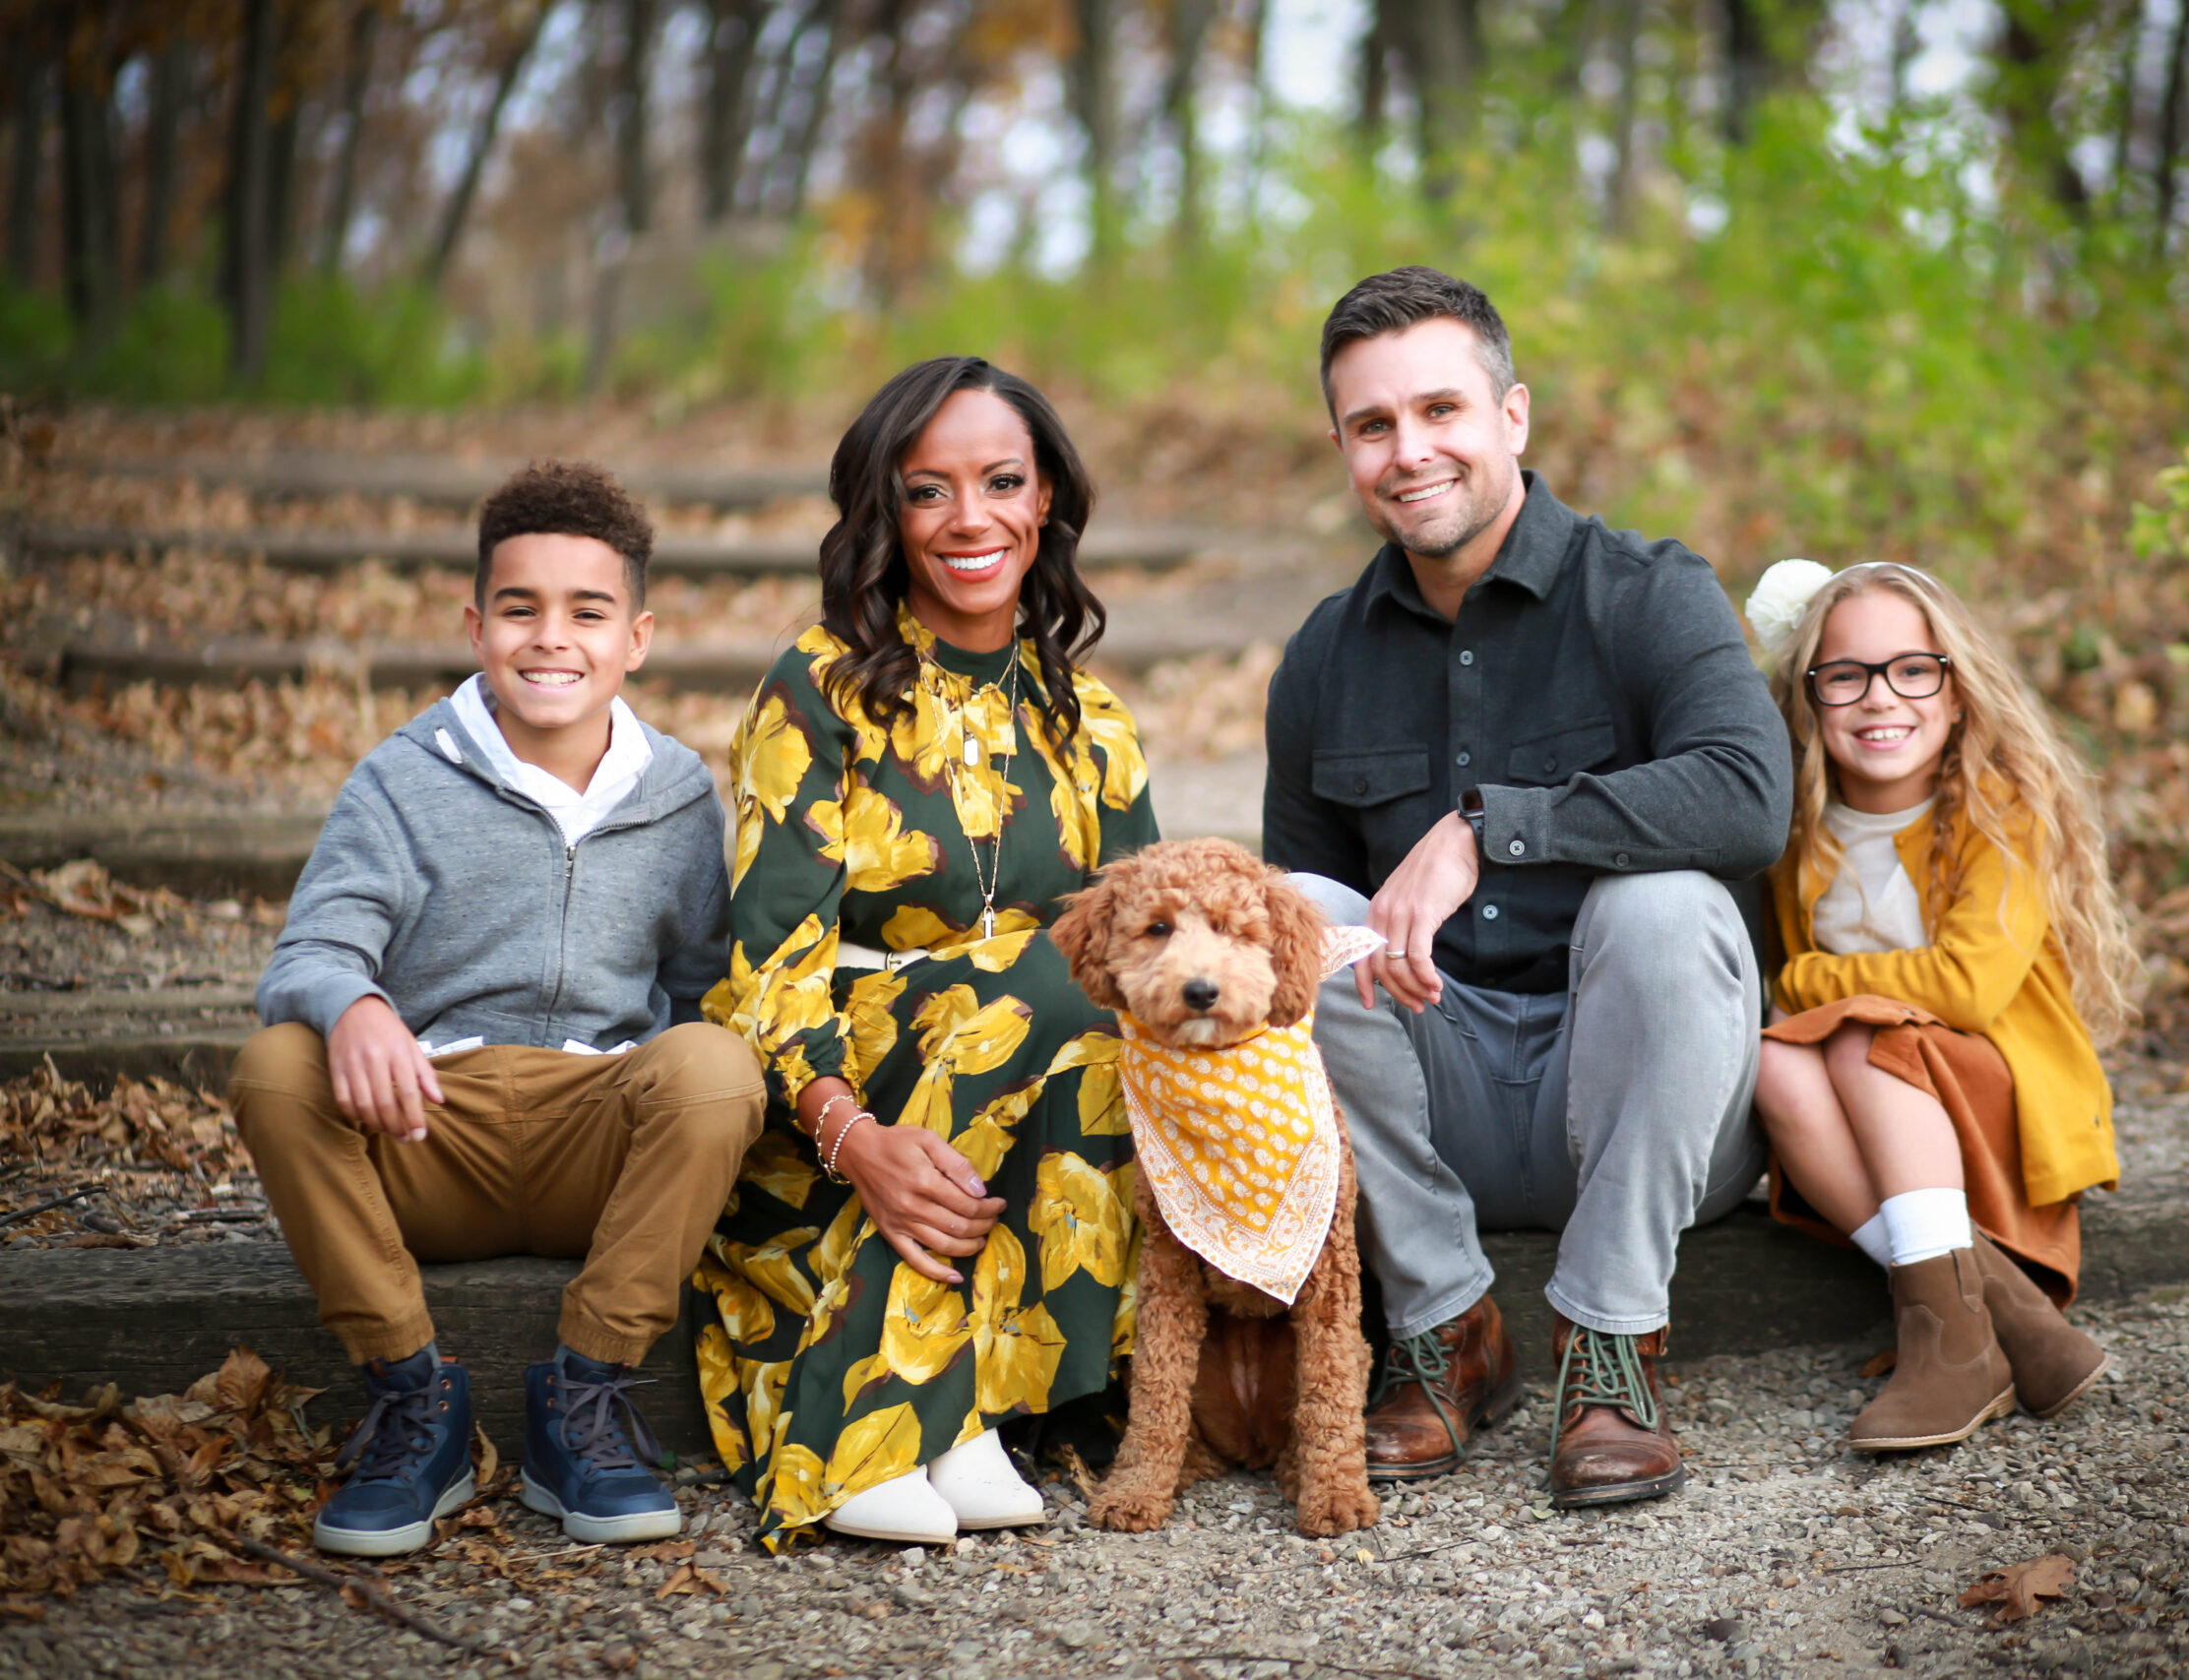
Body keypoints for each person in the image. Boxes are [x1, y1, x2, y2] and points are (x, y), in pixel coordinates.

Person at [1262, 267, 1792, 1509]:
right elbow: (1306, 936)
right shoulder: (1322, 656)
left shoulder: (1648, 592)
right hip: (1431, 1108)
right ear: (1343, 449)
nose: (1408, 451)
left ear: (1512, 415)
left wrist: (1486, 830)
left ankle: (1612, 1347)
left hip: (1647, 1104)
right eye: (1372, 425)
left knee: (1663, 905)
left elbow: (1745, 798)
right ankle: (1448, 1328)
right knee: (1298, 923)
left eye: (1439, 409)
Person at [229, 461, 766, 1556]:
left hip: (596, 1150)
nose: (550, 637)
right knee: (277, 1064)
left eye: (587, 612)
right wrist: (354, 1006)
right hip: (425, 1132)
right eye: (520, 609)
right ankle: (413, 1398)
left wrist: (689, 1117)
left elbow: (703, 985)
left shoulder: (676, 796)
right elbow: (313, 949)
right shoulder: (401, 779)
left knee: (716, 1062)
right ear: (476, 627)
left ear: (637, 639)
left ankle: (586, 1395)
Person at [698, 356, 1158, 1550]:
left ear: (1044, 498)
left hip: (1031, 1082)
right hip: (843, 1089)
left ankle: (955, 1414)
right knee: (1058, 974)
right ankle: (869, 1427)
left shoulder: (1090, 719)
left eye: (1000, 482)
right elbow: (773, 960)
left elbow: (1153, 941)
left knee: (1095, 997)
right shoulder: (820, 686)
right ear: (885, 512)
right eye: (926, 491)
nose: (968, 520)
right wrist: (851, 1137)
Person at [1745, 557, 2137, 1451]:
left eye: (1912, 670)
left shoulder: (2002, 811)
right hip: (1884, 1111)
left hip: (1999, 1108)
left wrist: (1809, 985)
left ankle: (1951, 1341)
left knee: (1856, 1033)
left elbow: (1967, 987)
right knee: (1771, 1060)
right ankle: (1995, 1314)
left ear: (1957, 693)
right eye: (1846, 676)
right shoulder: (1798, 828)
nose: (1880, 697)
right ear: (1808, 699)